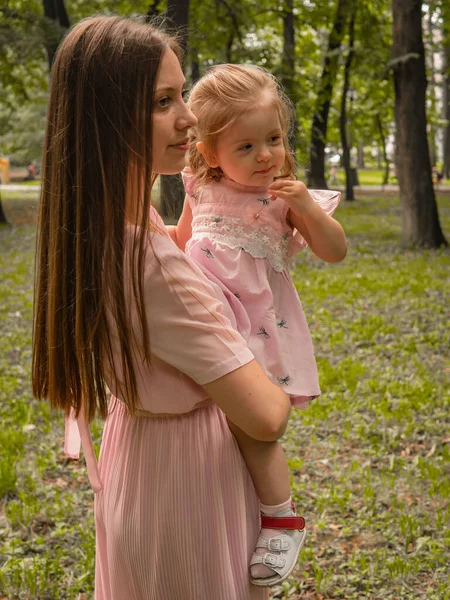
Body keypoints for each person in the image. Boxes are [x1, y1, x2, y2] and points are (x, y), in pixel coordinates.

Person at [32, 16, 294, 600]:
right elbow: (266, 417)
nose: (189, 118)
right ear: (106, 117)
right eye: (161, 101)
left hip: (143, 463)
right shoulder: (151, 263)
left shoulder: (108, 227)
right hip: (186, 491)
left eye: (182, 94)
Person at [166, 64, 347, 587]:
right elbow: (183, 239)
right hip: (203, 309)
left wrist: (307, 209)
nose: (266, 154)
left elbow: (334, 252)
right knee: (201, 420)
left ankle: (281, 517)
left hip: (253, 324)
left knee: (253, 426)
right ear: (208, 154)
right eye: (246, 147)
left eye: (273, 138)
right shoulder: (196, 182)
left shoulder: (282, 197)